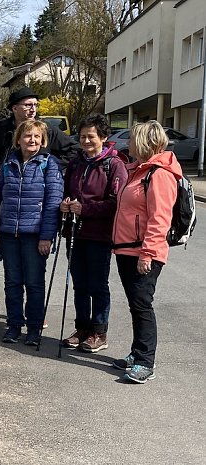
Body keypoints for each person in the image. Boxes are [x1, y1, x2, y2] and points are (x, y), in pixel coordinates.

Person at [0, 87, 79, 324]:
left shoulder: (46, 130)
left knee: (32, 274)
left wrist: (51, 167)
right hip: (4, 203)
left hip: (33, 212)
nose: (33, 109)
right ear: (14, 108)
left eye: (35, 104)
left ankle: (34, 315)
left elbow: (72, 151)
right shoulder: (0, 129)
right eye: (27, 105)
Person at [111, 121, 181, 384]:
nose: (127, 143)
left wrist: (148, 253)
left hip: (143, 251)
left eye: (131, 139)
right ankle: (137, 352)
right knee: (135, 304)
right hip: (127, 248)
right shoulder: (139, 170)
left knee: (142, 305)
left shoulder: (159, 174)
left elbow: (160, 218)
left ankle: (145, 361)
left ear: (144, 142)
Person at [60, 114, 127, 352]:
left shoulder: (114, 164)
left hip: (99, 235)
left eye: (91, 136)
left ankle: (99, 332)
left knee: (97, 285)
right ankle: (82, 328)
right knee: (79, 284)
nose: (86, 141)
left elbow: (115, 203)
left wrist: (85, 209)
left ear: (104, 137)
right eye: (82, 137)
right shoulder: (76, 163)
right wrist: (65, 205)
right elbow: (66, 191)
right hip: (75, 233)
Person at [0, 120, 63, 346]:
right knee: (13, 282)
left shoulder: (49, 165)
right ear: (18, 139)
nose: (31, 140)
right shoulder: (8, 164)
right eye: (27, 136)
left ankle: (34, 328)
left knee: (34, 283)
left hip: (34, 235)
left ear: (42, 140)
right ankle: (14, 325)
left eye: (36, 136)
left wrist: (47, 236)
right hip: (8, 234)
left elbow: (53, 202)